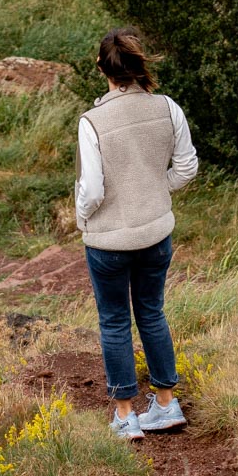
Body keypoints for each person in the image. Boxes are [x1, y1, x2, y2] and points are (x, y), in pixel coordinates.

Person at [76, 28, 198, 442]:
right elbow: (186, 168)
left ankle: (126, 415)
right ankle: (165, 404)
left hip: (108, 240)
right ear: (137, 63)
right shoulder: (168, 108)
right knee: (151, 312)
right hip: (156, 232)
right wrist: (153, 188)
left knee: (114, 322)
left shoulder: (91, 121)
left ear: (101, 68)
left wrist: (82, 217)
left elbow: (91, 190)